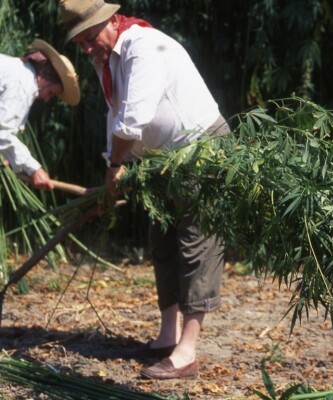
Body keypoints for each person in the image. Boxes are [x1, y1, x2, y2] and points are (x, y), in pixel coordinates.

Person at [58, 0, 230, 379]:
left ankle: (187, 352)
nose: (86, 48)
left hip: (201, 149)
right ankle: (167, 335)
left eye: (87, 38)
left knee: (195, 242)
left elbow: (134, 118)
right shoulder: (104, 58)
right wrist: (112, 163)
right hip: (159, 159)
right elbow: (114, 114)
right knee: (162, 238)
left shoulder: (144, 48)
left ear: (108, 20)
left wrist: (116, 165)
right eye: (80, 42)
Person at [0, 39, 80, 190]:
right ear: (45, 76)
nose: (46, 98)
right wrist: (34, 169)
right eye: (51, 92)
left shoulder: (19, 71)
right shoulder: (23, 84)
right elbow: (2, 131)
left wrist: (6, 154)